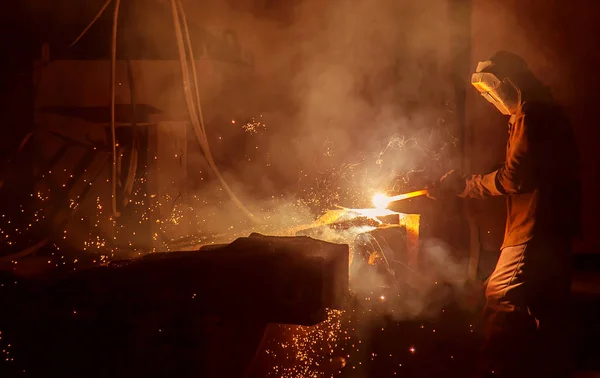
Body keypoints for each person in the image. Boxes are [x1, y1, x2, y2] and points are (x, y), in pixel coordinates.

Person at [427, 51, 582, 378]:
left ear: (510, 82)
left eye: (493, 89)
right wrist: (466, 184)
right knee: (544, 305)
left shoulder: (531, 114)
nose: (492, 97)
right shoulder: (540, 109)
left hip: (534, 226)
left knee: (501, 295)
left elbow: (515, 178)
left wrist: (466, 186)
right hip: (553, 224)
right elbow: (521, 170)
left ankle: (496, 369)